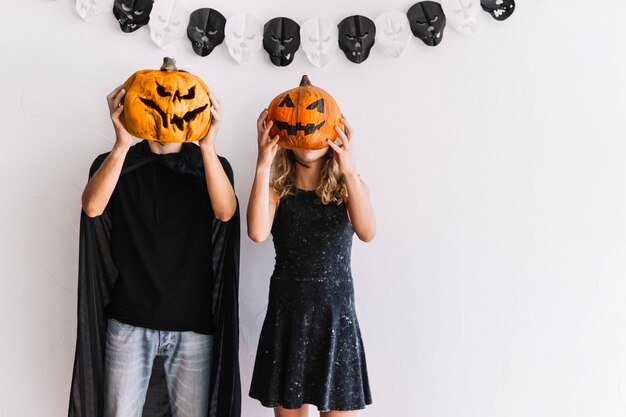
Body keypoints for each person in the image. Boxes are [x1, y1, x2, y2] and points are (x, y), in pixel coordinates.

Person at [68, 85, 241, 417]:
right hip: (129, 323)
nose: (170, 109)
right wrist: (121, 142)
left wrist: (207, 144)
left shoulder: (210, 167)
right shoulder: (115, 164)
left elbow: (226, 212)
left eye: (182, 99)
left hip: (193, 326)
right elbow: (92, 207)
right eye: (157, 99)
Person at [247, 109, 376, 416]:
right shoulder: (277, 190)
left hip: (336, 320)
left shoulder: (349, 187)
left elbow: (368, 232)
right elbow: (256, 232)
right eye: (298, 126)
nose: (307, 136)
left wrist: (349, 168)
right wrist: (263, 162)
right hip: (288, 318)